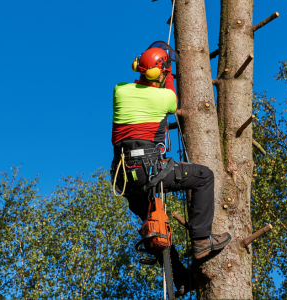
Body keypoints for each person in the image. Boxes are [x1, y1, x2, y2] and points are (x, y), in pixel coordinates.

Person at [111, 42, 231, 295]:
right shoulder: (164, 96)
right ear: (161, 72)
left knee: (156, 227)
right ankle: (201, 240)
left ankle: (180, 278)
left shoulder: (120, 90)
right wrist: (169, 73)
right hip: (148, 168)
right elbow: (171, 98)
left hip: (124, 177)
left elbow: (141, 82)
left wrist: (157, 66)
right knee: (204, 177)